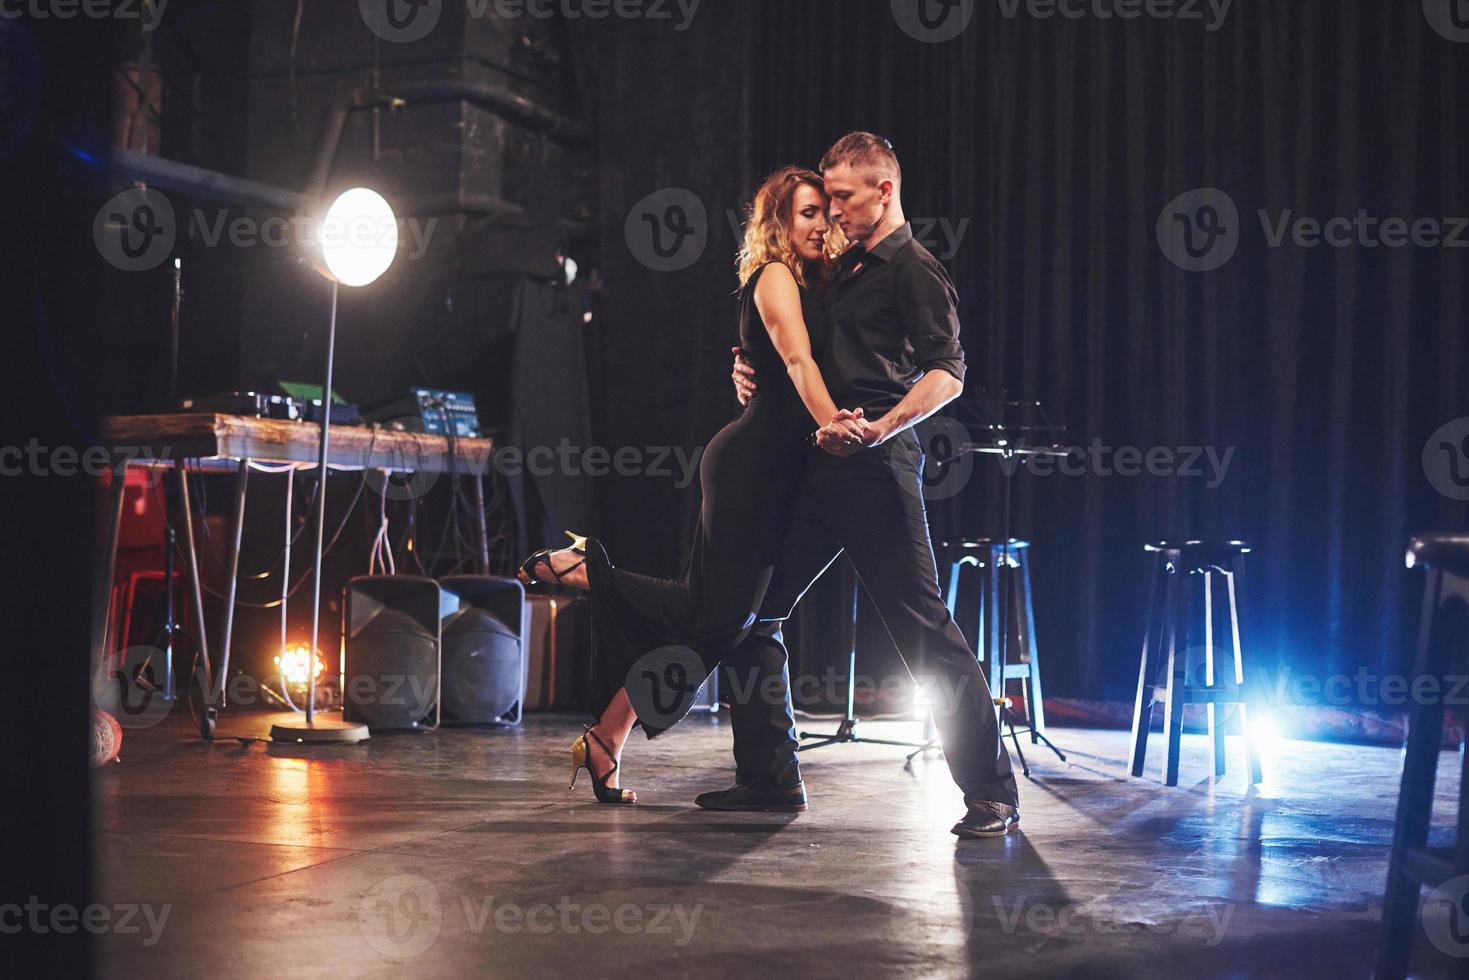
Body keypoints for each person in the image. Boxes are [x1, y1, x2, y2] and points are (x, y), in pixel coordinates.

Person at [698, 132, 1022, 838]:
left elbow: (948, 373)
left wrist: (879, 426)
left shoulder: (913, 269)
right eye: (825, 198)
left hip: (873, 467)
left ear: (882, 191)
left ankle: (992, 793)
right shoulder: (838, 267)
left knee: (923, 630)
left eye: (841, 196)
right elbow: (792, 346)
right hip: (814, 467)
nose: (832, 209)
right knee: (753, 617)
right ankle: (768, 780)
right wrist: (742, 366)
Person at [517, 166, 853, 806]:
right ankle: (593, 571)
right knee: (718, 615)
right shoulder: (777, 275)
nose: (821, 223)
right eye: (807, 212)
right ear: (779, 222)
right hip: (751, 467)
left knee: (730, 625)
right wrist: (834, 423)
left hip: (780, 472)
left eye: (826, 213)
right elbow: (796, 360)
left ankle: (613, 736)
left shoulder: (819, 284)